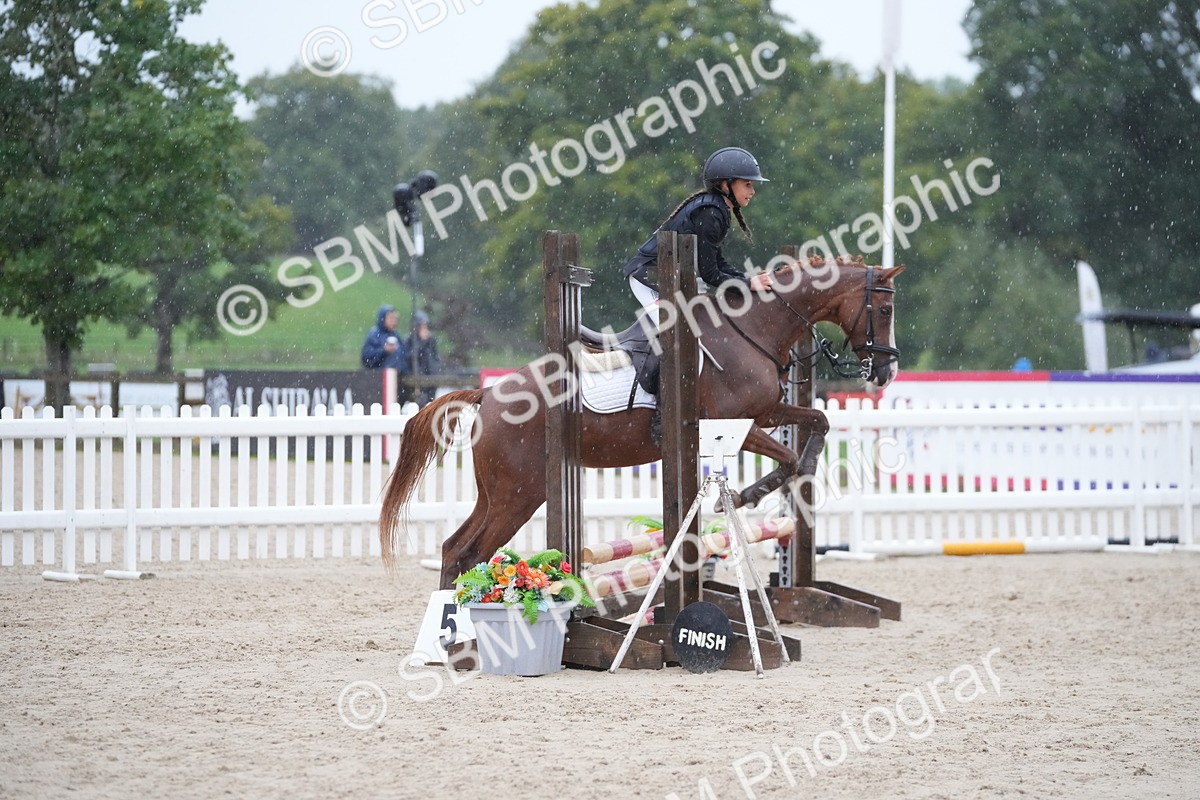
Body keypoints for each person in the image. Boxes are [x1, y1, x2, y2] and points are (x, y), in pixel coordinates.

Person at [622, 146, 774, 319]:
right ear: (726, 184)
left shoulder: (717, 210)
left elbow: (718, 263)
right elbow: (710, 273)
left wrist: (747, 279)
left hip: (668, 279)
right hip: (649, 279)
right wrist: (747, 284)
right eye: (747, 184)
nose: (752, 191)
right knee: (676, 336)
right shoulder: (710, 213)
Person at [361, 305, 412, 401]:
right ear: (383, 318)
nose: (394, 321)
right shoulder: (374, 334)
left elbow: (403, 355)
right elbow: (366, 357)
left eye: (395, 318)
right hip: (381, 381)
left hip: (399, 380)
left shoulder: (396, 335)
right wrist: (384, 351)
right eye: (391, 318)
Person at [405, 310, 442, 407]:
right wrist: (422, 343)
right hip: (417, 378)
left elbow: (434, 357)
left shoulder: (431, 340)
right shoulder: (410, 340)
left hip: (431, 376)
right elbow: (411, 357)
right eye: (421, 326)